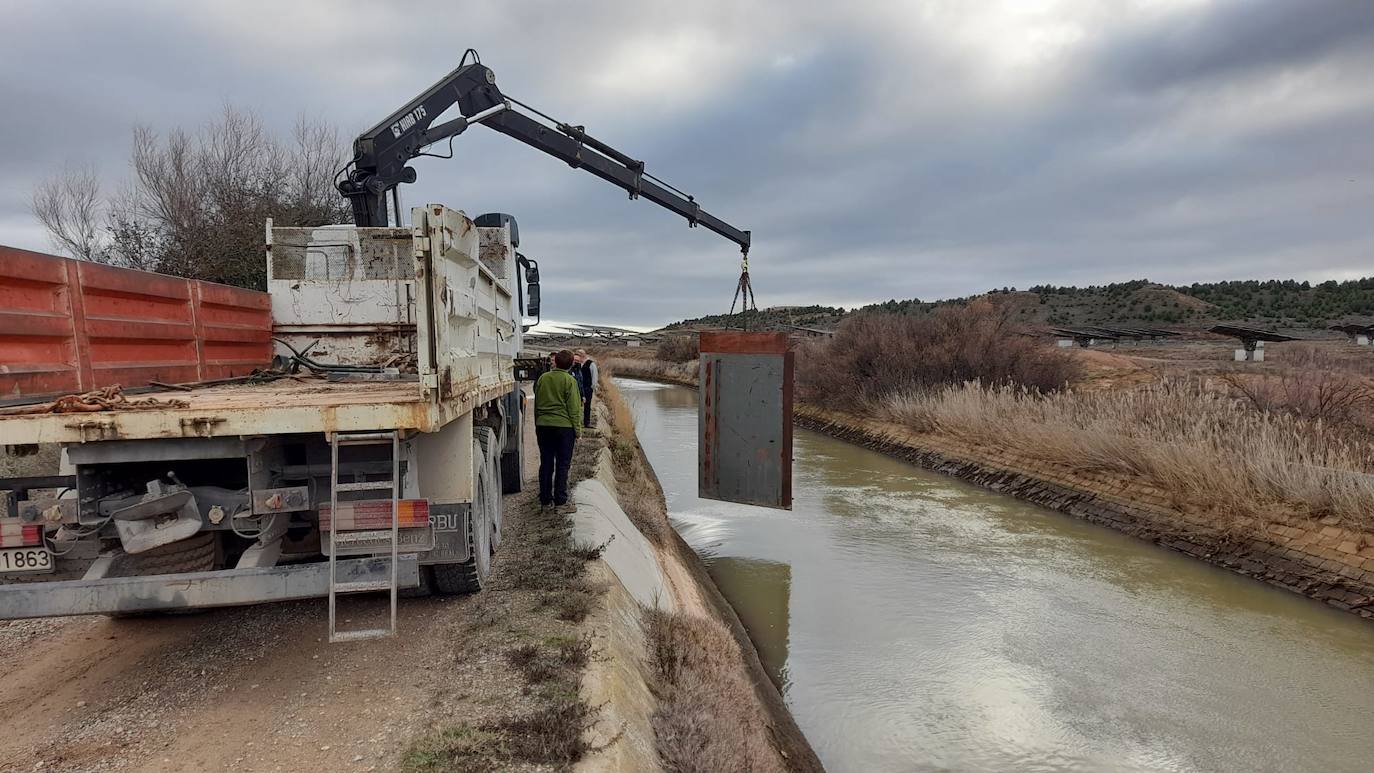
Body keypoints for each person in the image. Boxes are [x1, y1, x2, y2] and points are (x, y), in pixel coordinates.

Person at [534, 350, 582, 514]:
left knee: (546, 463)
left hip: (543, 426)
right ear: (570, 364)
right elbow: (574, 409)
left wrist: (538, 423)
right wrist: (578, 430)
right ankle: (561, 503)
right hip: (564, 428)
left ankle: (545, 500)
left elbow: (537, 404)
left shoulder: (543, 378)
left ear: (555, 362)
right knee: (563, 464)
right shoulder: (570, 380)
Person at [574, 348, 597, 427]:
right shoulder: (577, 363)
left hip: (587, 388)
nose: (579, 356)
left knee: (587, 406)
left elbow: (594, 376)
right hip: (578, 388)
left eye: (580, 354)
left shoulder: (591, 364)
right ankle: (576, 421)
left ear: (583, 354)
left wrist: (592, 387)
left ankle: (586, 422)